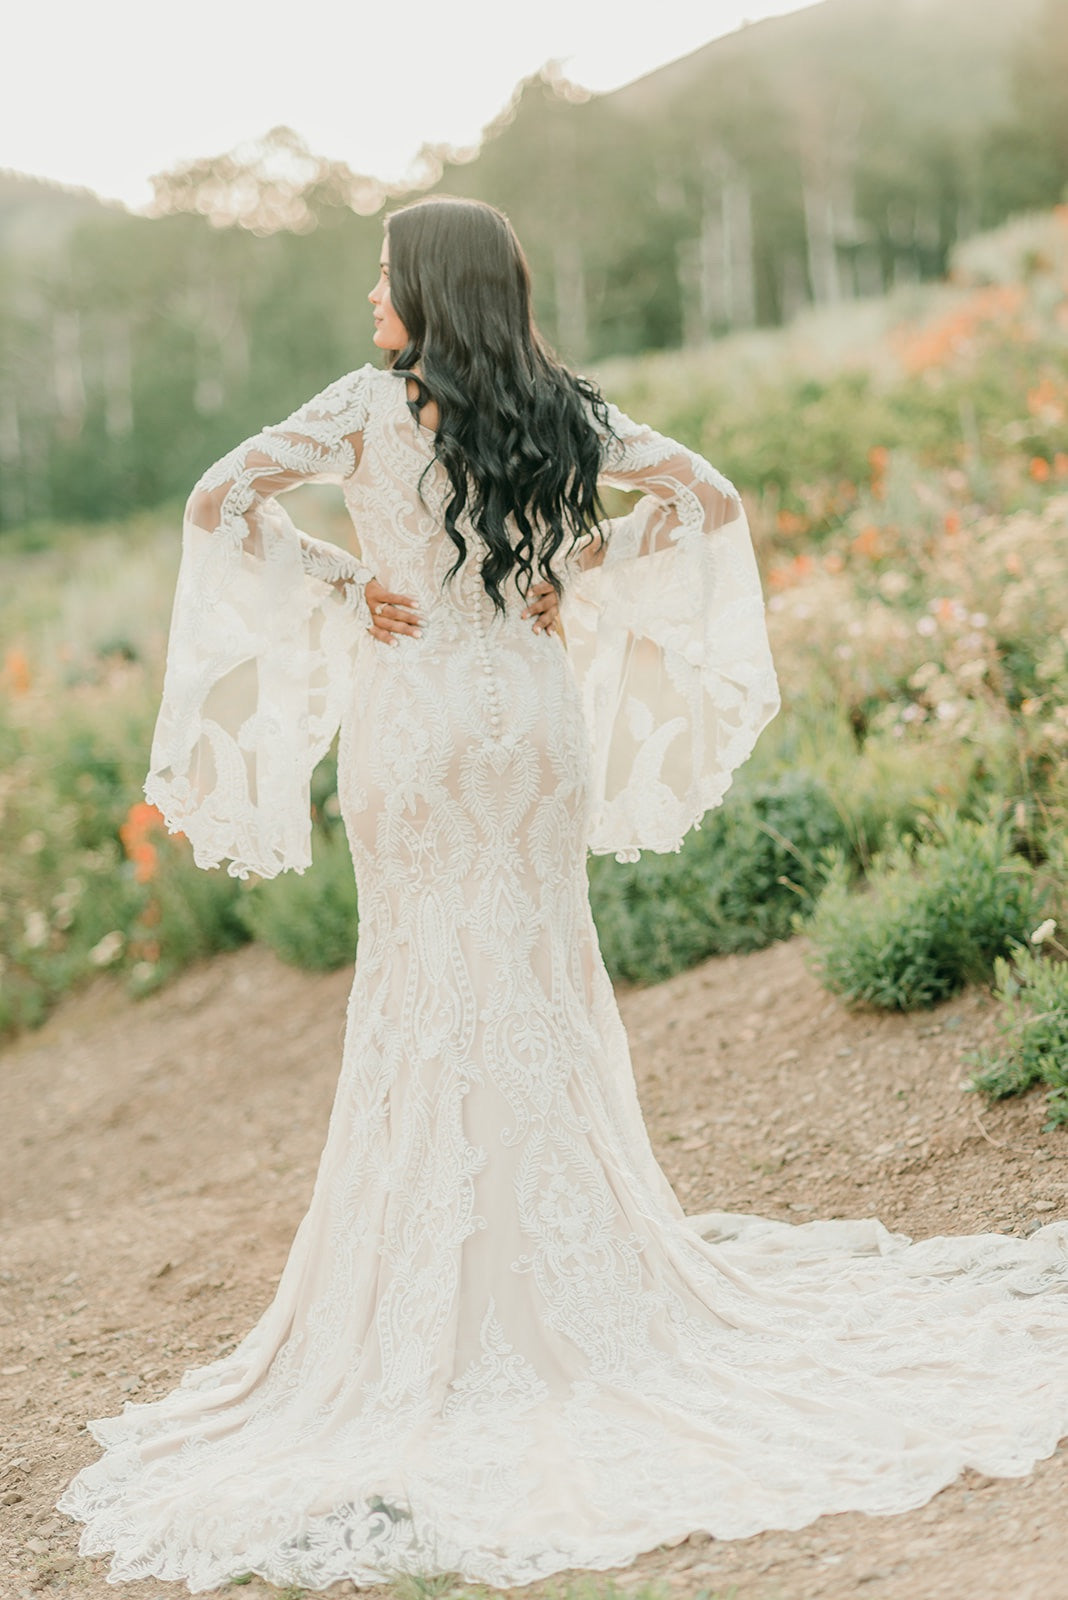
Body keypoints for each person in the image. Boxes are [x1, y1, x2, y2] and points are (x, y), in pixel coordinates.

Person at [57, 197, 1068, 1593]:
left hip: (415, 723)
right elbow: (705, 498)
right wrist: (569, 567)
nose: (370, 297)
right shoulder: (558, 406)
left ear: (426, 288)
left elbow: (215, 499)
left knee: (426, 988)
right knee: (531, 972)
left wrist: (348, 586)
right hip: (527, 723)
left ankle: (450, 1291)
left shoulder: (364, 406)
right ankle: (572, 1272)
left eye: (383, 275)